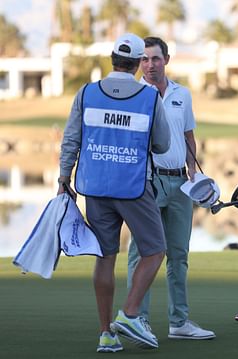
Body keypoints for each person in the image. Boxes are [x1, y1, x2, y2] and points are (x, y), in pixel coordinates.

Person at [57, 33, 170, 352]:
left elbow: (70, 140)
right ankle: (131, 312)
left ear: (112, 60)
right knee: (155, 249)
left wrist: (64, 177)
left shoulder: (86, 93)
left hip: (95, 187)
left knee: (105, 257)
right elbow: (163, 145)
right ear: (137, 64)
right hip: (133, 187)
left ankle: (106, 334)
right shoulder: (149, 97)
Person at [127, 37, 215, 340]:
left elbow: (189, 135)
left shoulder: (182, 94)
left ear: (167, 59)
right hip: (146, 183)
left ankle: (179, 322)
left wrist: (193, 172)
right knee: (142, 254)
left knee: (179, 254)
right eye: (145, 60)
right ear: (139, 62)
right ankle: (138, 320)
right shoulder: (134, 94)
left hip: (180, 183)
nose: (150, 65)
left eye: (156, 59)